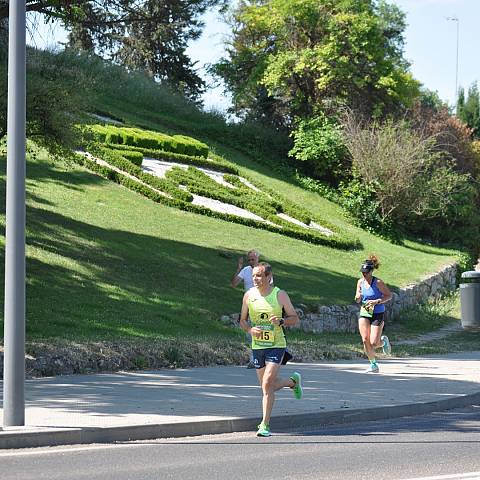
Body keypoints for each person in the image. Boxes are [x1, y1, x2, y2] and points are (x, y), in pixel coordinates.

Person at [239, 262, 303, 437]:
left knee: (267, 384)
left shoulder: (279, 295)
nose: (255, 279)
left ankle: (265, 425)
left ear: (268, 277)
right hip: (258, 346)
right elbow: (242, 321)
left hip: (276, 345)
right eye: (253, 276)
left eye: (259, 276)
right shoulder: (248, 295)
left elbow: (294, 318)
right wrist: (250, 330)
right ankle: (292, 382)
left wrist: (282, 321)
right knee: (267, 387)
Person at [355, 254, 393, 373]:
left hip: (377, 313)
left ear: (371, 271)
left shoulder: (378, 282)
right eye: (362, 272)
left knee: (373, 342)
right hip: (365, 312)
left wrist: (377, 301)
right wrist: (358, 297)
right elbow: (357, 299)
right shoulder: (360, 282)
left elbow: (389, 296)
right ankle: (373, 364)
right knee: (365, 339)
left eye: (366, 272)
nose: (364, 274)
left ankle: (383, 341)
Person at [231, 250, 259, 368]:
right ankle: (254, 359)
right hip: (249, 305)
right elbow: (234, 283)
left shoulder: (264, 270)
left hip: (261, 305)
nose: (251, 261)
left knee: (260, 332)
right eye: (250, 259)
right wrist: (239, 268)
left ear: (258, 258)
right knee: (251, 332)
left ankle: (259, 359)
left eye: (253, 259)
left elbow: (271, 287)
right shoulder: (246, 270)